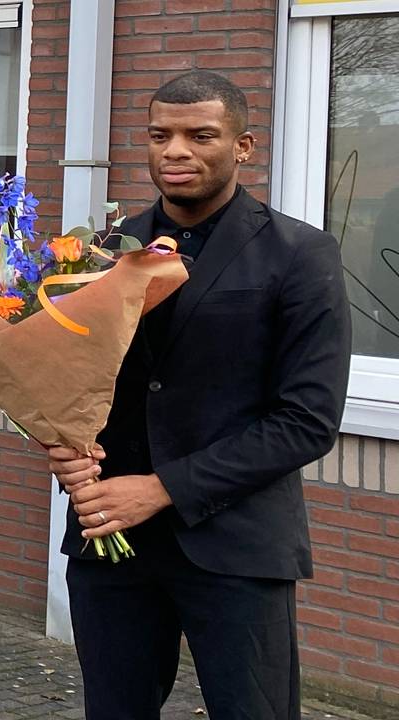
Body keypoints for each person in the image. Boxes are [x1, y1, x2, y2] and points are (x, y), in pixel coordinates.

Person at [48, 70, 351, 719]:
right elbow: (70, 383)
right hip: (111, 544)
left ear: (243, 146)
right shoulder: (102, 251)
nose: (175, 150)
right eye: (160, 135)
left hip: (236, 542)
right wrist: (63, 444)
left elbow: (307, 420)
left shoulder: (300, 254)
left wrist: (161, 488)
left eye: (200, 135)